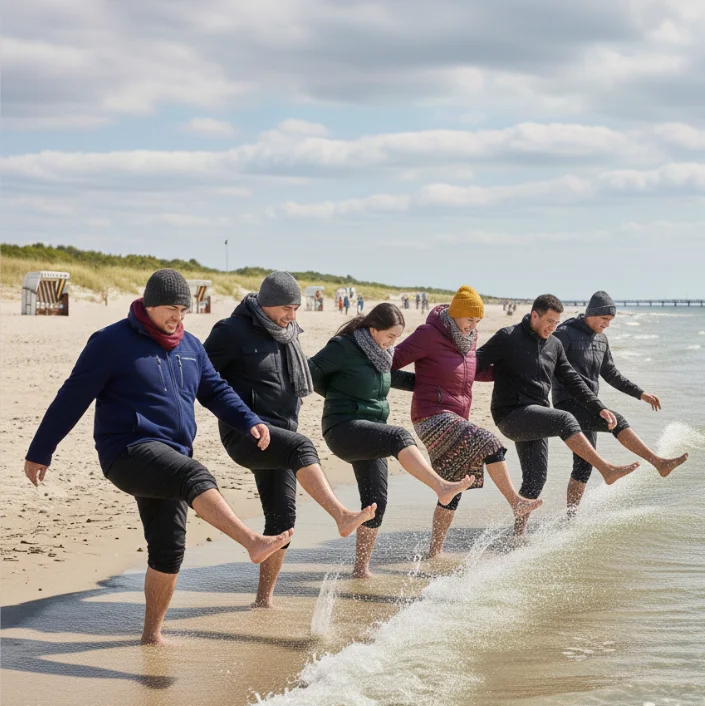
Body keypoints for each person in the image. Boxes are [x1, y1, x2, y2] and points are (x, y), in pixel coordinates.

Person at [23, 270, 291, 646]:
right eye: (171, 309)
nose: (177, 318)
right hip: (127, 451)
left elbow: (215, 390)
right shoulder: (110, 342)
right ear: (148, 303)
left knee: (168, 549)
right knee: (194, 476)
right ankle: (251, 541)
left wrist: (249, 421)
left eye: (183, 309)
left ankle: (152, 636)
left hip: (171, 455)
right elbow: (72, 397)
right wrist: (41, 450)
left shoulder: (191, 346)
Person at [203, 272, 377, 608]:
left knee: (283, 520)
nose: (292, 316)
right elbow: (201, 377)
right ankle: (341, 515)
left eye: (296, 308)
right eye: (287, 307)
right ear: (266, 302)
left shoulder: (287, 335)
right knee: (302, 447)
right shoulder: (231, 331)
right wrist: (242, 416)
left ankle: (263, 600)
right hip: (246, 433)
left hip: (280, 434)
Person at [309, 303, 474, 578]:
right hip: (343, 428)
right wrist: (338, 394)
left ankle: (361, 570)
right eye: (390, 336)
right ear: (372, 329)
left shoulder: (381, 354)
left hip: (371, 431)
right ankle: (441, 486)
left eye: (397, 338)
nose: (392, 343)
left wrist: (432, 383)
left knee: (376, 502)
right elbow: (310, 372)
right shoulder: (343, 346)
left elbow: (392, 376)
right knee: (399, 436)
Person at [392, 286, 542, 556]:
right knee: (490, 443)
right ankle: (515, 501)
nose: (473, 326)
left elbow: (470, 372)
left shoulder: (470, 339)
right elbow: (393, 359)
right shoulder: (429, 334)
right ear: (456, 314)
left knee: (453, 487)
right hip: (431, 415)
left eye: (477, 321)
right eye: (469, 319)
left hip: (457, 418)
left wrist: (507, 373)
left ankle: (434, 552)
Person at [476, 294, 639, 511]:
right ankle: (606, 469)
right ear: (535, 315)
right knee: (566, 419)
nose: (553, 327)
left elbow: (572, 379)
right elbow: (472, 364)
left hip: (536, 416)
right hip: (510, 415)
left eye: (556, 322)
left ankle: (517, 536)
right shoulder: (508, 337)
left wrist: (598, 407)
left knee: (536, 479)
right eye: (549, 321)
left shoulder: (554, 345)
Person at [553, 291, 688, 514]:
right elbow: (548, 362)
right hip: (568, 403)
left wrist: (640, 393)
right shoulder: (565, 334)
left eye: (610, 321)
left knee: (584, 464)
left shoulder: (601, 340)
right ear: (592, 314)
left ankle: (570, 517)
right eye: (604, 319)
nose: (607, 325)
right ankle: (658, 462)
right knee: (617, 421)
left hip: (591, 404)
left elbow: (611, 373)